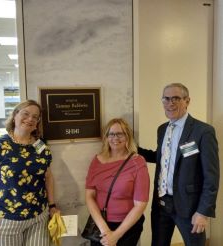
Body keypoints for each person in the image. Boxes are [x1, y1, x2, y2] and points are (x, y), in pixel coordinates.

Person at [138, 83, 219, 246]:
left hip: (189, 207)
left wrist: (203, 212)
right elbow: (163, 158)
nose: (170, 103)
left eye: (176, 98)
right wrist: (134, 150)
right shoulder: (162, 129)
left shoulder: (203, 131)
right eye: (166, 99)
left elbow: (211, 176)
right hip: (161, 204)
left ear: (187, 101)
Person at [0, 99, 58, 246]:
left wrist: (52, 206)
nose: (30, 119)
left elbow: (48, 177)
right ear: (15, 115)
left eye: (35, 116)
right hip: (4, 220)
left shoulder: (41, 146)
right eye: (25, 114)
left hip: (38, 219)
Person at [85, 118, 150, 246]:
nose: (116, 138)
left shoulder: (137, 162)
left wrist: (115, 235)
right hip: (100, 224)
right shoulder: (96, 161)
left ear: (128, 136)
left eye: (120, 134)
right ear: (106, 137)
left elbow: (140, 204)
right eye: (112, 134)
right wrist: (105, 230)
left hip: (127, 227)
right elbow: (89, 196)